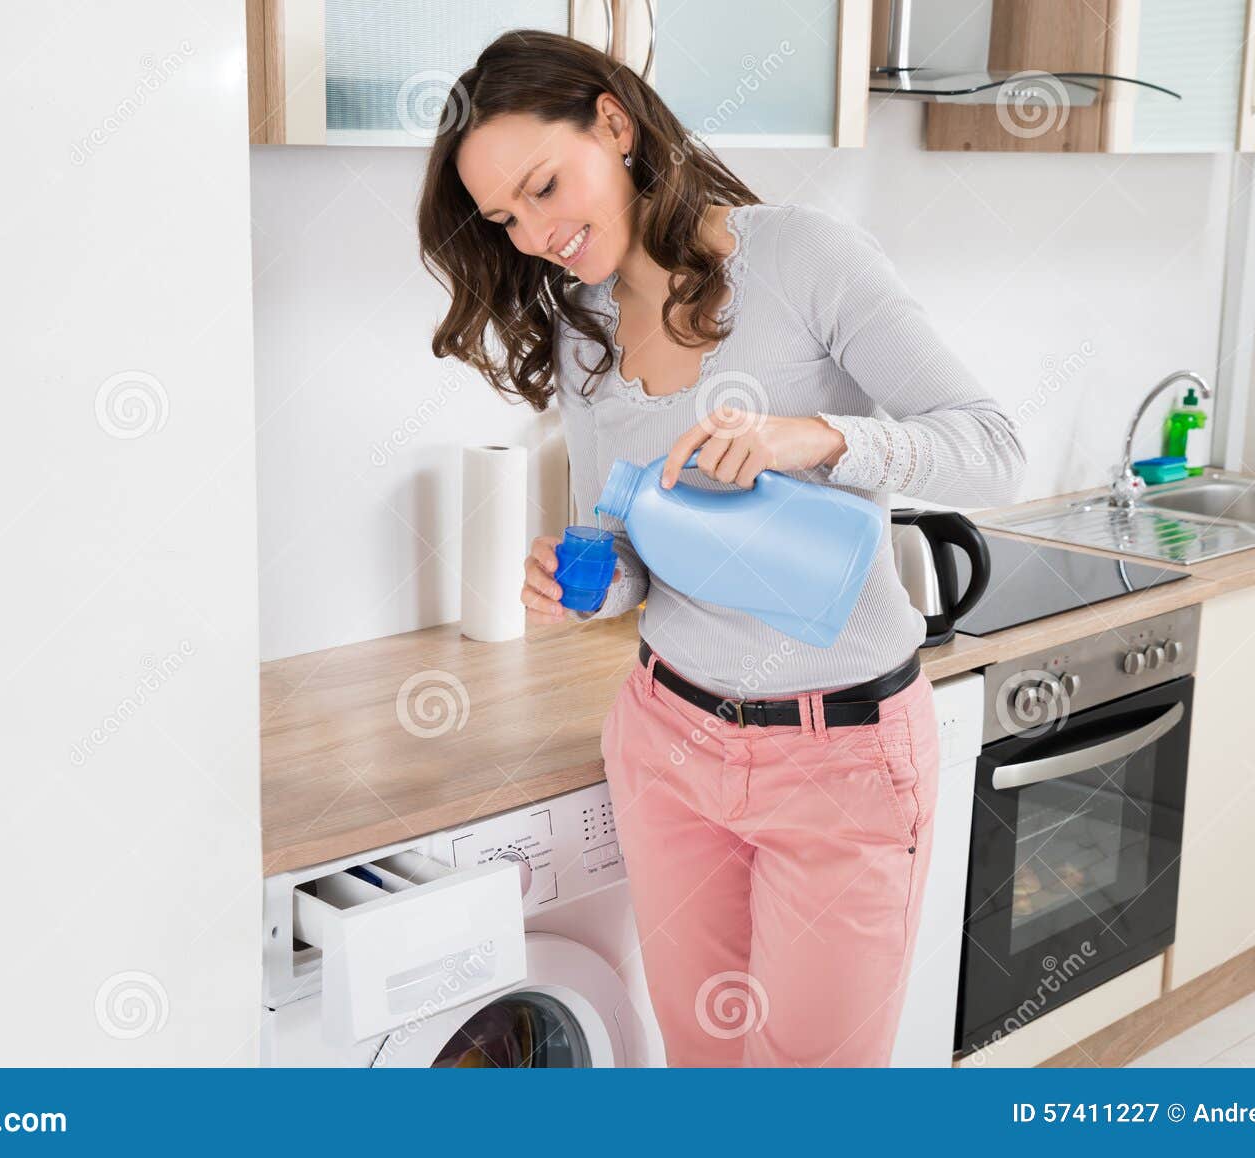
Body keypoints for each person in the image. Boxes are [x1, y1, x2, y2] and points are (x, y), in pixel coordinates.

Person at [417, 29, 1025, 1066]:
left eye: (545, 187)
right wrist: (582, 580)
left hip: (841, 756)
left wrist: (818, 440)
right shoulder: (582, 328)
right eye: (507, 218)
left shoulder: (803, 257)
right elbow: (627, 551)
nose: (534, 234)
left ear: (613, 122)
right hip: (666, 746)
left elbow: (993, 452)